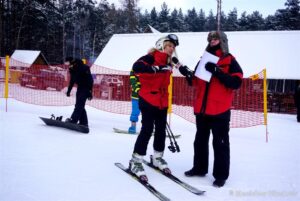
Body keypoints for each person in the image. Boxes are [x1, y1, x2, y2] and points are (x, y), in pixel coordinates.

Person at [180, 31, 243, 187]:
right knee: (200, 141)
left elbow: (236, 82)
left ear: (222, 40)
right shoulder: (204, 59)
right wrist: (187, 74)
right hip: (202, 110)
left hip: (220, 110)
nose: (212, 41)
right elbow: (195, 81)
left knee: (220, 143)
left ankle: (221, 175)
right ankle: (200, 168)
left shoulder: (230, 60)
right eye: (210, 39)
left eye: (215, 38)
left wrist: (217, 72)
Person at [128, 34, 179, 181]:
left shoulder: (170, 62)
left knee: (161, 130)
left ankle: (157, 157)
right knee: (147, 129)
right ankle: (136, 160)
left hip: (162, 102)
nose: (171, 49)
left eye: (173, 47)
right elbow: (136, 67)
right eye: (169, 46)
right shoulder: (151, 56)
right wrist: (155, 68)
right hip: (148, 99)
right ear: (161, 45)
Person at [65, 57, 94, 127]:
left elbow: (90, 80)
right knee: (79, 105)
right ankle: (84, 122)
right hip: (80, 88)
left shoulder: (84, 67)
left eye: (67, 62)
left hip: (85, 88)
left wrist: (90, 92)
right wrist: (69, 91)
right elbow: (72, 81)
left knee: (79, 105)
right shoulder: (72, 69)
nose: (67, 65)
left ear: (71, 62)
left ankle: (73, 120)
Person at [128, 69, 141, 134]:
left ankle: (147, 128)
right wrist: (138, 90)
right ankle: (133, 127)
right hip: (136, 96)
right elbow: (133, 82)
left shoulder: (148, 68)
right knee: (135, 112)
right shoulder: (133, 70)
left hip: (147, 96)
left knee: (148, 113)